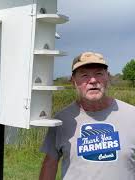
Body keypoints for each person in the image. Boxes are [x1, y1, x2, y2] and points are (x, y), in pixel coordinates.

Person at [39, 52, 135, 180]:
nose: (93, 80)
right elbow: (50, 164)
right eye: (84, 75)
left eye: (99, 74)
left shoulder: (131, 115)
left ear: (108, 77)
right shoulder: (61, 120)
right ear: (73, 81)